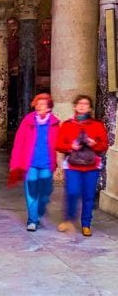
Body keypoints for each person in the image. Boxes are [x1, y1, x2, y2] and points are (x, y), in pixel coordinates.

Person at [56, 94, 108, 236]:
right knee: (72, 192)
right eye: (79, 103)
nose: (82, 105)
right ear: (74, 106)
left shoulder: (97, 125)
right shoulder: (67, 125)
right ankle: (68, 220)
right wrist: (70, 146)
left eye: (85, 104)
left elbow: (104, 145)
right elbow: (58, 144)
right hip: (72, 165)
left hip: (92, 166)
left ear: (90, 108)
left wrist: (94, 144)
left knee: (88, 195)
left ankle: (86, 224)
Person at [8, 92, 60, 231]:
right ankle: (32, 220)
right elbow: (18, 143)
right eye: (37, 103)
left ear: (49, 107)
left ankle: (39, 211)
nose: (38, 106)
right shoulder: (28, 120)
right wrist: (14, 163)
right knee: (31, 191)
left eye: (42, 103)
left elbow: (60, 144)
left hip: (47, 164)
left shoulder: (55, 123)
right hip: (29, 162)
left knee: (44, 193)